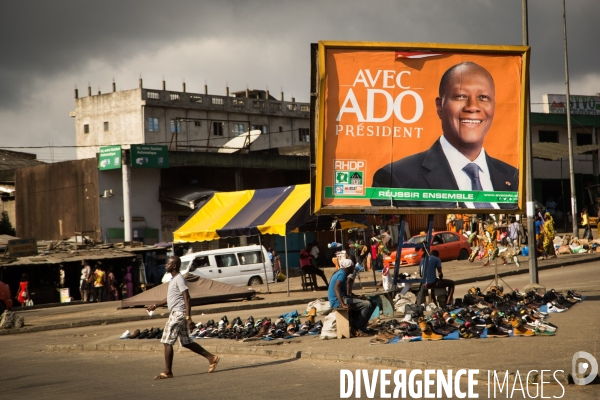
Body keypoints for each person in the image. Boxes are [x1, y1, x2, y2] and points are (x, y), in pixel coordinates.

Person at [371, 61, 518, 209]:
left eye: (483, 97)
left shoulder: (514, 177)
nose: (473, 107)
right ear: (440, 106)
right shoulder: (396, 178)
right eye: (460, 96)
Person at [147, 256, 219, 380]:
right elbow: (169, 298)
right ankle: (212, 358)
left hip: (178, 314)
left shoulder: (180, 279)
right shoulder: (174, 279)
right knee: (186, 342)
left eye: (168, 263)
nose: (165, 265)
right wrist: (155, 305)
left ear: (174, 266)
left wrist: (188, 317)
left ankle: (167, 371)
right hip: (177, 313)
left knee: (167, 340)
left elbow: (187, 298)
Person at [327, 258, 374, 337]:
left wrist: (356, 297)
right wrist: (343, 304)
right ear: (348, 267)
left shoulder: (341, 273)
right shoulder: (342, 274)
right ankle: (358, 328)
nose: (353, 268)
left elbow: (344, 292)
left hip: (341, 299)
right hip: (337, 301)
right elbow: (336, 288)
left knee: (372, 303)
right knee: (367, 304)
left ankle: (359, 326)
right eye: (352, 266)